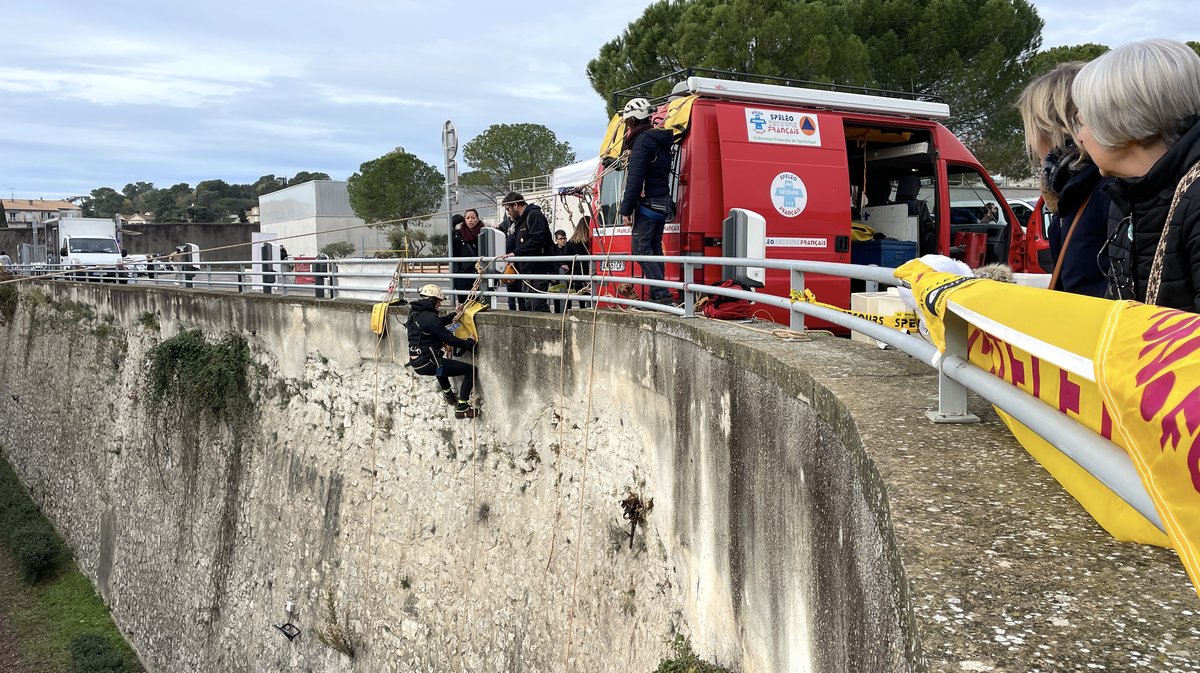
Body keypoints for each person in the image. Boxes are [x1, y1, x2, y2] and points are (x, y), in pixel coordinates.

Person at [1073, 39, 1200, 310]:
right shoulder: (1127, 196)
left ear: (1123, 121)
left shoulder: (1195, 201)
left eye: (1083, 122)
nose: (1080, 138)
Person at [1017, 61, 1112, 297]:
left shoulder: (1105, 188)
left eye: (1030, 128)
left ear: (1050, 127)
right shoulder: (1070, 188)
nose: (1030, 141)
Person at [619, 97, 675, 303]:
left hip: (649, 204)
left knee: (641, 250)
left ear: (632, 120)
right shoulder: (658, 140)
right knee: (654, 248)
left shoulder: (642, 142)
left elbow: (635, 180)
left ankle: (661, 295)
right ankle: (658, 295)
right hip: (662, 203)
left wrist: (625, 210)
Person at [405, 284, 479, 418]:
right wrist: (469, 343)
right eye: (439, 302)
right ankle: (462, 407)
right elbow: (449, 338)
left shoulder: (416, 312)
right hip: (428, 362)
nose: (439, 305)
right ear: (433, 301)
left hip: (418, 363)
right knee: (470, 370)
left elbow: (436, 324)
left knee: (440, 367)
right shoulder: (429, 317)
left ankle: (448, 395)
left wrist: (454, 315)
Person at [502, 191, 553, 312]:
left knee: (538, 305)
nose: (508, 213)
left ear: (515, 205)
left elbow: (537, 239)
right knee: (529, 306)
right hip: (527, 269)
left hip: (538, 269)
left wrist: (516, 253)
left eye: (508, 209)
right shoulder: (520, 221)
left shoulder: (534, 215)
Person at [451, 210, 484, 305]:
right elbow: (454, 255)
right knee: (464, 305)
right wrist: (458, 274)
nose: (470, 220)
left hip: (480, 276)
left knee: (480, 305)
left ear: (478, 219)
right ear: (464, 220)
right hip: (463, 276)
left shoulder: (484, 233)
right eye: (468, 218)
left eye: (473, 218)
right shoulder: (458, 235)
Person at [563, 217, 592, 310]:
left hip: (576, 275)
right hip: (587, 274)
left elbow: (566, 260)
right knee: (590, 299)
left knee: (581, 300)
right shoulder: (589, 242)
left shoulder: (571, 243)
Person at [551, 229, 569, 313]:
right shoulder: (553, 249)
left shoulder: (569, 248)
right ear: (556, 240)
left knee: (568, 301)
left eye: (564, 238)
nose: (563, 240)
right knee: (557, 301)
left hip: (568, 280)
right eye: (561, 239)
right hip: (556, 279)